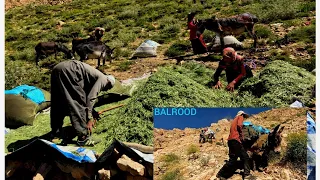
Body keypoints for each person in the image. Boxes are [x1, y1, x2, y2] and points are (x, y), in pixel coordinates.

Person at [50, 60, 115, 146]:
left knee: (58, 102)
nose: (105, 90)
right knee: (77, 103)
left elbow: (86, 99)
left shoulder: (92, 78)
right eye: (107, 88)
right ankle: (83, 137)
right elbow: (91, 98)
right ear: (109, 83)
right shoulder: (103, 79)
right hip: (72, 70)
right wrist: (89, 118)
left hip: (57, 68)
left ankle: (55, 134)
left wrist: (92, 111)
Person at [216, 111, 256, 180]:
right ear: (242, 114)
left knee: (232, 160)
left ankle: (221, 174)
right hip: (236, 141)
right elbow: (239, 125)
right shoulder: (240, 117)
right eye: (244, 116)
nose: (244, 118)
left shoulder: (233, 121)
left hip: (230, 141)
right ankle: (247, 175)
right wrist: (241, 136)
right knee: (245, 157)